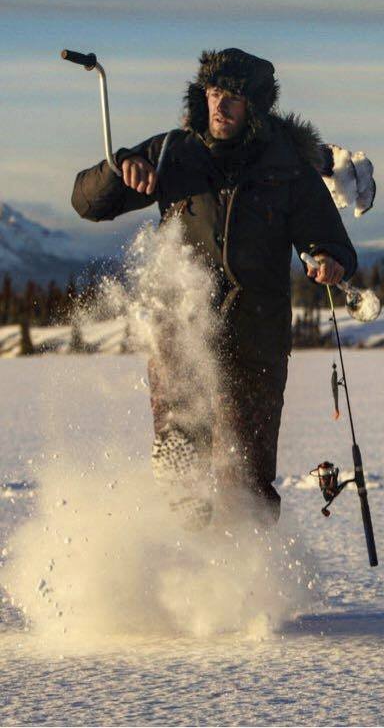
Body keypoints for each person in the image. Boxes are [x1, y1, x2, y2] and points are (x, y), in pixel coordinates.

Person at [72, 48, 359, 527]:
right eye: (212, 93)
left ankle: (258, 587)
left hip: (257, 338)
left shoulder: (287, 168)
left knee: (245, 476)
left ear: (256, 108)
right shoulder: (171, 152)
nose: (219, 107)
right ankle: (188, 581)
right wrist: (119, 167)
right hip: (181, 333)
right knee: (180, 464)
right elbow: (88, 202)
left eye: (233, 98)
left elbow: (331, 241)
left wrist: (330, 261)